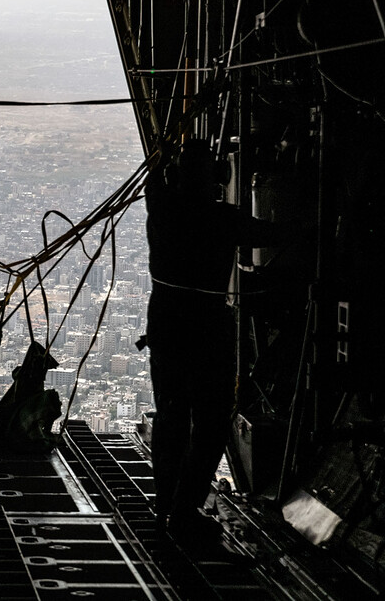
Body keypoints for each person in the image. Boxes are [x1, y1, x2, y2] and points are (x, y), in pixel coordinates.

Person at [145, 139, 280, 551]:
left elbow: (155, 180)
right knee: (210, 422)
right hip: (206, 328)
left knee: (171, 413)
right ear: (218, 178)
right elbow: (271, 234)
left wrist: (165, 159)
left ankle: (165, 504)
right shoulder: (222, 219)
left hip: (166, 323)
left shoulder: (160, 210)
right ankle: (184, 510)